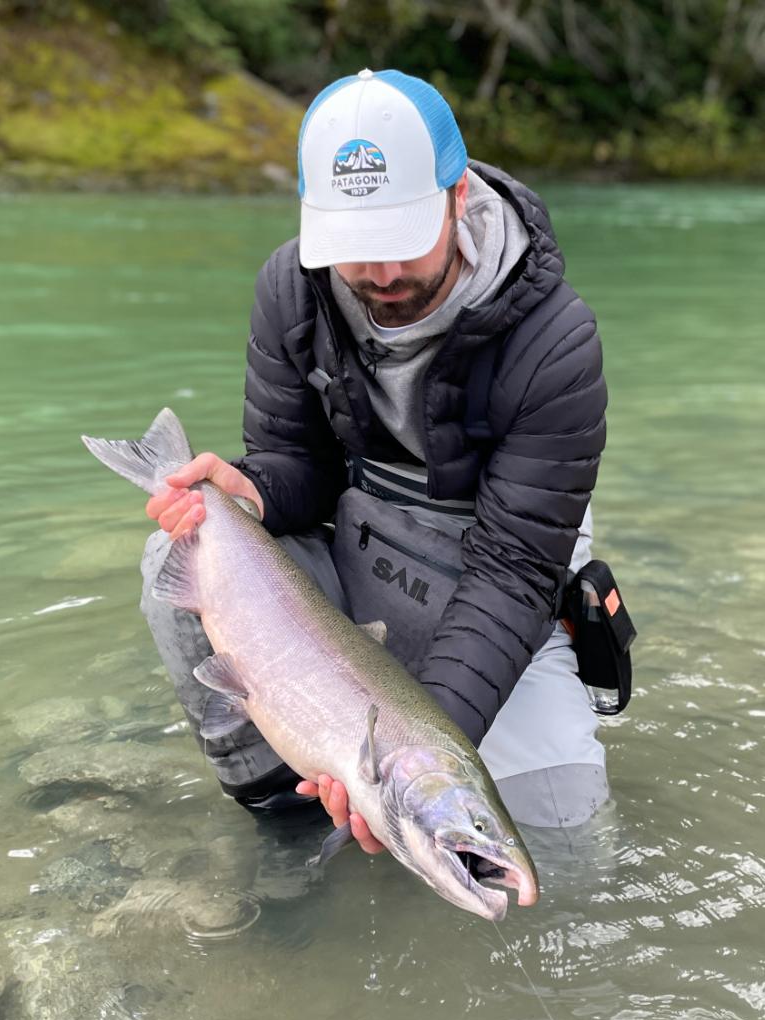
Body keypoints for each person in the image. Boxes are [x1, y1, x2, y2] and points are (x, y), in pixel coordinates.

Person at [140, 69, 609, 852]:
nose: (382, 277)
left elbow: (516, 572)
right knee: (180, 549)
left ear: (457, 197)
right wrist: (249, 493)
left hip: (501, 586)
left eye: (399, 241)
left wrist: (411, 760)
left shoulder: (555, 342)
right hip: (361, 553)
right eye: (355, 250)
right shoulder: (291, 290)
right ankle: (286, 830)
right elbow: (299, 465)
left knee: (567, 848)